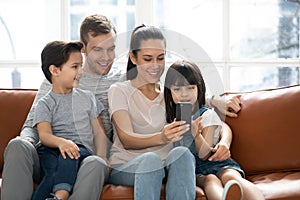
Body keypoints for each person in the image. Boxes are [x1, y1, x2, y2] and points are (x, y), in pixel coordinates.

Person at [107, 24, 237, 200]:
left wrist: (224, 142)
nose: (155, 65)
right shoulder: (119, 90)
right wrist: (162, 137)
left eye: (160, 58)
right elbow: (126, 139)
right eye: (147, 59)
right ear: (133, 57)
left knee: (181, 153)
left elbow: (213, 117)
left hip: (167, 165)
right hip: (127, 165)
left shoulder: (172, 93)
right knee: (150, 160)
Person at [1, 14, 119, 200]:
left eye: (111, 49)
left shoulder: (121, 82)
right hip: (48, 155)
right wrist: (28, 143)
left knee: (96, 163)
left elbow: (104, 132)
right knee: (18, 145)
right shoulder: (54, 81)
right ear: (84, 48)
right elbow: (32, 126)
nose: (106, 57)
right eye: (98, 50)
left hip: (86, 158)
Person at [164, 59, 265, 200]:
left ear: (199, 88)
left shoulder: (207, 115)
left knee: (231, 176)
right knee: (210, 180)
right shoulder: (169, 118)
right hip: (197, 171)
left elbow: (205, 154)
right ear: (169, 91)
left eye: (190, 88)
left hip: (218, 162)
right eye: (177, 89)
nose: (184, 94)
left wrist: (196, 134)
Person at [31, 41, 108, 200]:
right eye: (75, 67)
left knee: (71, 153)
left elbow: (99, 133)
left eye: (81, 66)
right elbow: (44, 135)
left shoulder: (87, 98)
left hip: (81, 150)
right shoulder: (45, 104)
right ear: (54, 70)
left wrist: (102, 158)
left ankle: (60, 196)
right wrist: (61, 143)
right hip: (51, 151)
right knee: (51, 174)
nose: (80, 72)